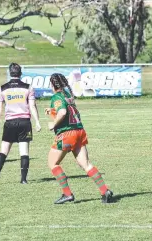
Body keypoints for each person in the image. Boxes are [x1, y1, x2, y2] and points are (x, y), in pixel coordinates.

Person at [45, 73, 113, 204]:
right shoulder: (68, 96)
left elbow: (63, 112)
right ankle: (105, 191)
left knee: (53, 163)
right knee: (86, 164)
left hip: (67, 135)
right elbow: (65, 112)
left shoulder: (56, 96)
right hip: (79, 132)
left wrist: (53, 123)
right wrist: (53, 112)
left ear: (53, 84)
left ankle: (67, 194)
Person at [0, 63, 42, 184]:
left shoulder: (2, 88)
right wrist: (37, 121)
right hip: (24, 122)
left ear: (10, 73)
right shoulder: (28, 87)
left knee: (3, 151)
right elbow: (32, 106)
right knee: (24, 152)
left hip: (10, 123)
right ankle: (23, 180)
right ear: (20, 73)